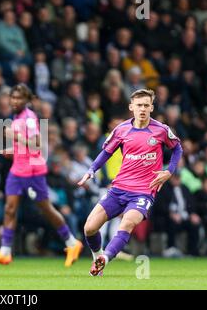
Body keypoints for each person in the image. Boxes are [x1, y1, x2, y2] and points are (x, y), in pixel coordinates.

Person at [78, 89, 183, 276]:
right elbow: (106, 152)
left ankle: (105, 259)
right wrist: (91, 170)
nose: (142, 109)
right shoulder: (121, 130)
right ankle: (98, 256)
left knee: (126, 223)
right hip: (118, 189)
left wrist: (169, 171)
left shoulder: (161, 130)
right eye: (139, 105)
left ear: (151, 107)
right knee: (89, 228)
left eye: (146, 105)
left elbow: (177, 149)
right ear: (131, 107)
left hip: (144, 191)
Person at [0, 84, 83, 267]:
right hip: (17, 170)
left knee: (46, 209)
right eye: (13, 97)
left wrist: (15, 137)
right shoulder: (17, 117)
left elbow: (36, 145)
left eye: (19, 98)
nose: (14, 101)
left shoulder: (29, 118)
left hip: (33, 172)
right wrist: (12, 150)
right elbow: (25, 147)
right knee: (10, 209)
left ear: (27, 101)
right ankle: (5, 252)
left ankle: (71, 242)